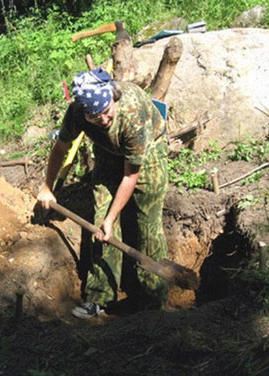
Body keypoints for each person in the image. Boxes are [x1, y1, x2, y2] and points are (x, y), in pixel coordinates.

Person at [37, 68, 170, 319]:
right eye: (96, 118)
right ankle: (99, 297)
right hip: (107, 153)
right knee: (99, 227)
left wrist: (113, 218)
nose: (104, 120)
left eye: (107, 113)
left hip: (148, 154)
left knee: (148, 227)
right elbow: (60, 148)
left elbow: (130, 176)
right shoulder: (77, 112)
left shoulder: (131, 114)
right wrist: (48, 186)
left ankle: (153, 302)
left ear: (113, 98)